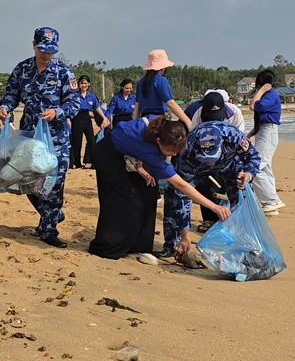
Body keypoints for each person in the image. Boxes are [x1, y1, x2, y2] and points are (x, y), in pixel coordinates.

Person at [88, 116, 231, 259]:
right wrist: (214, 207)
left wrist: (139, 166)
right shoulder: (151, 151)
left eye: (177, 151)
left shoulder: (159, 126)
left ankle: (139, 246)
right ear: (158, 142)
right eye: (171, 151)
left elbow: (133, 144)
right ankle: (108, 247)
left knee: (149, 193)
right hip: (105, 157)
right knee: (130, 202)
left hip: (125, 155)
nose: (174, 154)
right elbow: (182, 185)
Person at [0, 27, 79, 248]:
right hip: (29, 137)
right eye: (42, 49)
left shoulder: (64, 73)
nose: (46, 54)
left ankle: (48, 229)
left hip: (56, 139)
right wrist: (5, 107)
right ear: (33, 45)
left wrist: (57, 113)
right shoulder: (22, 69)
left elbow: (74, 103)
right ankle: (51, 212)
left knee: (53, 183)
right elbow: (11, 94)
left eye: (51, 50)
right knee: (27, 181)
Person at [162, 122, 261, 262]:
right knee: (173, 193)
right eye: (205, 158)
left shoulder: (233, 136)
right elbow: (183, 195)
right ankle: (172, 245)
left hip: (229, 164)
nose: (209, 162)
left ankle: (245, 245)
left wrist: (248, 174)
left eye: (211, 158)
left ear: (221, 145)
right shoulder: (187, 150)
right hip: (196, 168)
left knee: (241, 196)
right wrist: (186, 235)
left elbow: (254, 157)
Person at [189, 91, 246, 233]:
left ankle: (233, 220)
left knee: (233, 183)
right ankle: (209, 219)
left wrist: (247, 173)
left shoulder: (235, 112)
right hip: (206, 153)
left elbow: (241, 141)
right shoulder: (198, 114)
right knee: (205, 183)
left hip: (229, 153)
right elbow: (193, 137)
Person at [248, 69, 285, 215]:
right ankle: (271, 204)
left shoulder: (270, 95)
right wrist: (250, 134)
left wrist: (262, 90)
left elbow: (253, 106)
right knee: (265, 167)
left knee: (255, 166)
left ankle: (271, 200)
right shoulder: (269, 95)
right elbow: (260, 119)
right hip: (265, 131)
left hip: (268, 132)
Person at [133, 49, 192, 128]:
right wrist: (188, 122)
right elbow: (170, 104)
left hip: (143, 121)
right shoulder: (160, 80)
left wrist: (133, 124)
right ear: (163, 67)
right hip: (158, 121)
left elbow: (137, 106)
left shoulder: (140, 82)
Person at [70, 75, 110, 170]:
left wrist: (104, 118)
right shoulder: (74, 95)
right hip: (76, 119)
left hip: (87, 119)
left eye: (85, 83)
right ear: (79, 84)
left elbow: (97, 108)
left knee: (92, 141)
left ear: (89, 84)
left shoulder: (91, 96)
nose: (84, 85)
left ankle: (93, 162)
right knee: (77, 142)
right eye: (82, 83)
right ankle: (78, 164)